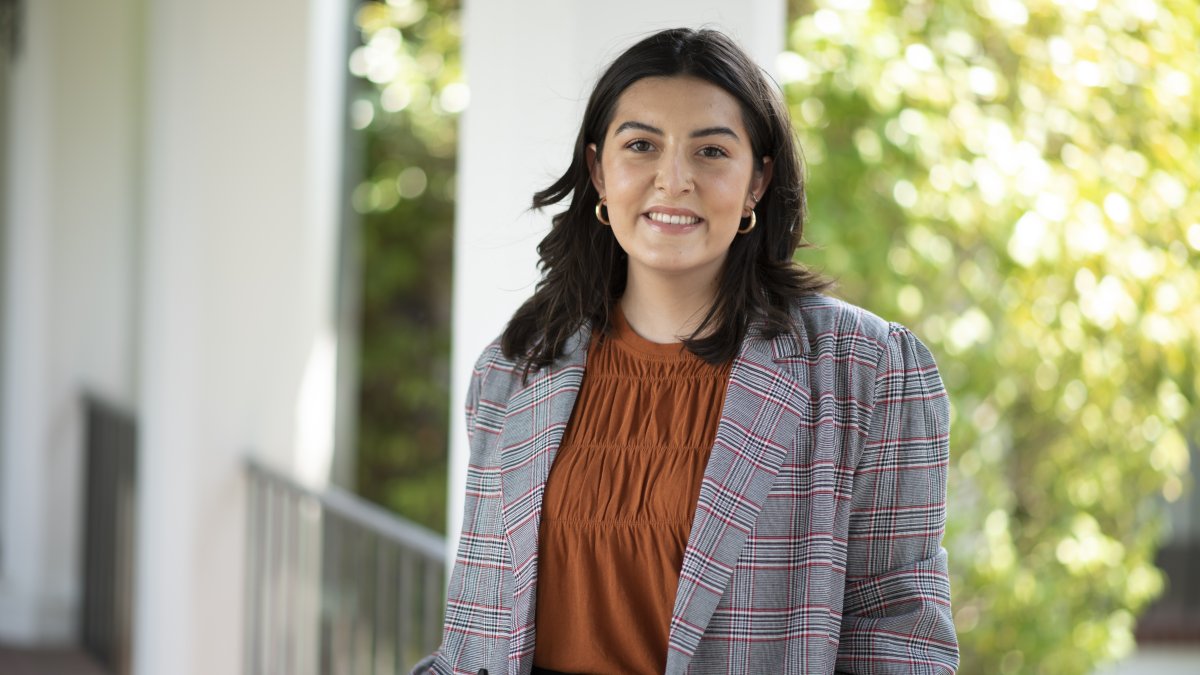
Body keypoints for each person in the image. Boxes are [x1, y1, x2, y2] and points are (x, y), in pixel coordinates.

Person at [415, 27, 958, 675]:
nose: (673, 180)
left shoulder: (867, 368)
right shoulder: (513, 368)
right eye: (641, 146)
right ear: (598, 172)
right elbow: (473, 632)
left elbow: (900, 636)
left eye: (711, 152)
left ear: (759, 179)